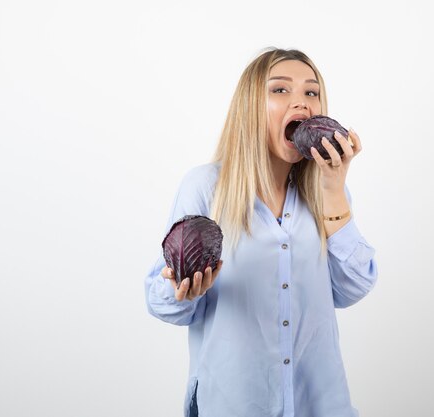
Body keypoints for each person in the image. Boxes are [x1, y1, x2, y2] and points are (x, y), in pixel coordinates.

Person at [145, 48, 378, 417]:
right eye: (281, 91)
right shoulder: (206, 187)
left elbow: (351, 289)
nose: (301, 103)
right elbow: (161, 303)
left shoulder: (328, 191)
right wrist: (183, 291)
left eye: (311, 92)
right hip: (234, 404)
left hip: (320, 404)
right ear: (251, 107)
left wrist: (333, 190)